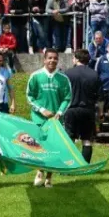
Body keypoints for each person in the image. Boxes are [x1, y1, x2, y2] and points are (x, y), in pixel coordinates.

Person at [26, 48, 72, 187]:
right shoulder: (35, 76)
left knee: (53, 148)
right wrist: (41, 109)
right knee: (40, 146)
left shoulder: (63, 79)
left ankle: (49, 178)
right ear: (44, 59)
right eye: (49, 58)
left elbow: (67, 98)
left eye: (55, 58)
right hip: (38, 119)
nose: (52, 60)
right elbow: (29, 96)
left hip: (56, 120)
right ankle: (40, 171)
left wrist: (59, 112)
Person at [64, 49, 102, 163]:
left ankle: (69, 164)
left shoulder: (68, 73)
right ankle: (85, 165)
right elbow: (100, 96)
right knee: (87, 140)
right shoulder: (94, 74)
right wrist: (100, 112)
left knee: (70, 139)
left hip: (71, 109)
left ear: (76, 59)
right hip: (88, 110)